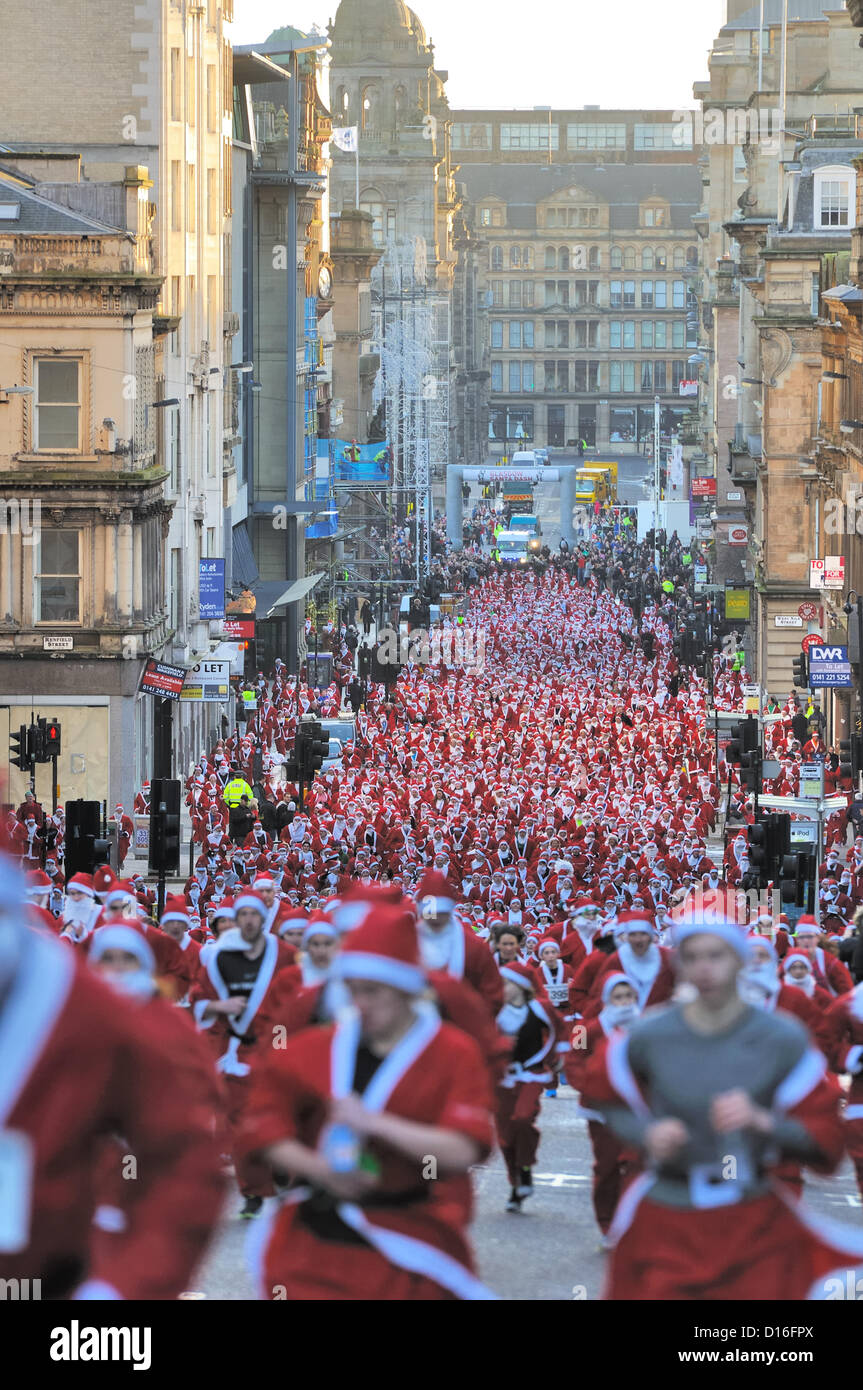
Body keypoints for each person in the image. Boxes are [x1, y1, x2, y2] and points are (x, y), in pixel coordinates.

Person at [585, 909, 863, 1301]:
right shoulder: (650, 1033)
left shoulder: (781, 1037)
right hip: (665, 1211)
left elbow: (826, 1142)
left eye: (716, 956)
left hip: (750, 1212)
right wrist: (646, 1132)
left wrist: (765, 1123)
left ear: (739, 961)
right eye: (692, 956)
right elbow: (601, 1091)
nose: (703, 968)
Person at [239, 906, 498, 1300]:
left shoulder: (453, 1053)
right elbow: (263, 1124)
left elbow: (464, 1148)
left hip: (410, 1234)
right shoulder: (315, 1047)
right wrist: (320, 1169)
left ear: (409, 990)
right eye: (352, 989)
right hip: (315, 1241)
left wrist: (376, 1124)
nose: (360, 1002)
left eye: (373, 991)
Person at [0, 845, 223, 1300]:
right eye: (109, 961)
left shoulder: (132, 1022)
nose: (117, 971)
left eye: (127, 962)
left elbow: (184, 1148)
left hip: (95, 1207)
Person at [190, 889, 295, 1219]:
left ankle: (281, 1167)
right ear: (235, 921)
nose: (249, 920)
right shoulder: (222, 957)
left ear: (264, 918)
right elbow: (198, 997)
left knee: (279, 1114)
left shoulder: (285, 954)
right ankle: (253, 1192)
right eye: (243, 915)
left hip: (275, 1047)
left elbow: (301, 994)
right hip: (238, 1047)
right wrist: (219, 1005)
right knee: (239, 1123)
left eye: (254, 915)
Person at [495, 959, 567, 1212]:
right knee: (504, 1138)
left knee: (523, 1119)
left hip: (531, 1075)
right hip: (502, 1079)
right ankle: (516, 1185)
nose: (501, 987)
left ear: (522, 986)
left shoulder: (540, 1008)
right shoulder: (495, 1011)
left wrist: (558, 1056)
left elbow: (560, 1027)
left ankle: (525, 1166)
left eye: (506, 983)